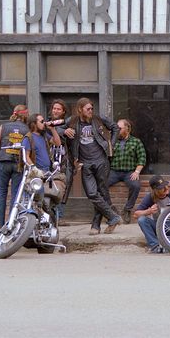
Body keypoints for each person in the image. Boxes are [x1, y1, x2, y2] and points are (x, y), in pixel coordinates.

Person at [63, 98, 122, 235]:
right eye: (88, 109)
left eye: (91, 108)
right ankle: (112, 216)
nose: (91, 111)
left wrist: (111, 145)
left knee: (101, 192)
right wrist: (64, 132)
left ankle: (96, 225)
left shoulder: (98, 119)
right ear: (80, 109)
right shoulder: (72, 121)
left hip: (101, 161)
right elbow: (59, 129)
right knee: (92, 193)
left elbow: (115, 127)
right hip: (85, 163)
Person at [0, 105, 29, 233]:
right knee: (15, 195)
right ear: (24, 115)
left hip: (3, 162)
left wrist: (0, 156)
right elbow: (29, 149)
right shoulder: (26, 129)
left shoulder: (3, 126)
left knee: (1, 193)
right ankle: (11, 224)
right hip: (18, 164)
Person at [108, 119, 146, 224]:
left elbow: (142, 158)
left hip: (129, 172)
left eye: (119, 128)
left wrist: (137, 172)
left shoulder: (136, 142)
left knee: (136, 185)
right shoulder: (112, 141)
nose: (117, 130)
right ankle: (110, 209)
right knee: (100, 185)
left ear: (127, 129)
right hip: (114, 171)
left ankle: (128, 209)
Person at [134, 175, 170, 253]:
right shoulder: (150, 197)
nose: (165, 189)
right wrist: (148, 211)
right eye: (161, 188)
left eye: (165, 186)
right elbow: (136, 214)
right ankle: (155, 246)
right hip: (157, 226)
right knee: (142, 220)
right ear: (155, 190)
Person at [47, 99, 74, 221]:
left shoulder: (68, 123)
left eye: (58, 109)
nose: (56, 110)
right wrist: (63, 131)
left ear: (63, 112)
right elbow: (49, 127)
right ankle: (49, 216)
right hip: (48, 159)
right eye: (54, 108)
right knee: (48, 187)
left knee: (63, 187)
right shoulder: (46, 123)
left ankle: (59, 217)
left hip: (64, 160)